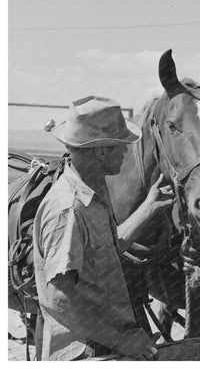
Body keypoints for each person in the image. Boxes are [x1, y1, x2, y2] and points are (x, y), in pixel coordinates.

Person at [33, 96, 174, 361]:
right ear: (100, 151)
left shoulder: (93, 194)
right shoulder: (68, 209)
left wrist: (149, 207)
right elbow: (58, 297)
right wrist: (122, 342)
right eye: (120, 146)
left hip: (103, 344)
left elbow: (106, 249)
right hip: (85, 352)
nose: (126, 151)